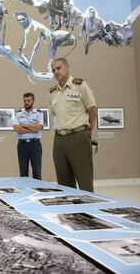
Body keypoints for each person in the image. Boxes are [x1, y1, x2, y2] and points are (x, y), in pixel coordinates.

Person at [49, 57, 97, 192]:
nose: (56, 72)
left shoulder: (80, 85)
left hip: (78, 137)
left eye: (59, 68)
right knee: (64, 183)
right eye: (53, 70)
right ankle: (70, 211)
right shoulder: (52, 93)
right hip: (59, 140)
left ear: (67, 67)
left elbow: (92, 110)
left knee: (84, 180)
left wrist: (88, 130)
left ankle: (88, 210)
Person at [13, 92, 44, 180]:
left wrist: (23, 125)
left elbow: (39, 127)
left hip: (35, 145)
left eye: (28, 100)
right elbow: (16, 129)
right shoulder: (18, 113)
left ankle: (38, 191)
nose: (26, 102)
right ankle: (25, 192)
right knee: (23, 173)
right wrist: (32, 126)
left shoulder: (38, 113)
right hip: (22, 145)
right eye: (25, 101)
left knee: (37, 171)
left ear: (33, 101)